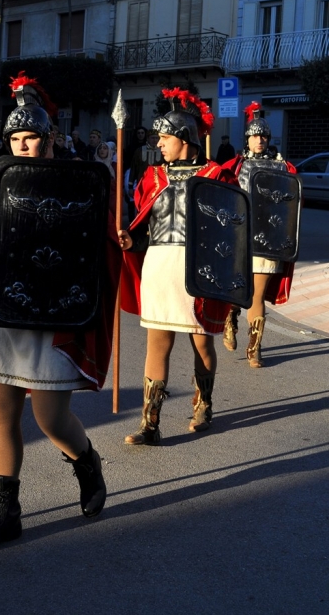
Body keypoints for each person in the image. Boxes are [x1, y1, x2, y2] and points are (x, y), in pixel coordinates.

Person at [0, 71, 121, 555]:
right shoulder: (2, 179)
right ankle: (4, 514)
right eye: (15, 137)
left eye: (31, 137)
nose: (22, 145)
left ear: (50, 137)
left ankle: (86, 463)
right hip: (7, 308)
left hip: (55, 315)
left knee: (49, 418)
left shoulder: (82, 179)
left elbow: (94, 246)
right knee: (1, 415)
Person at [118, 88, 237, 445]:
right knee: (158, 345)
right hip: (159, 265)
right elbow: (144, 225)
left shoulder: (216, 174)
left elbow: (231, 228)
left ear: (184, 138)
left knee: (201, 344)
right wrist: (130, 241)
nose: (160, 143)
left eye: (165, 137)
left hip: (199, 268)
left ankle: (204, 404)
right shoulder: (152, 177)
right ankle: (149, 424)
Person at [222, 102, 298, 368]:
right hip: (240, 236)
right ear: (248, 138)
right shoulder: (235, 167)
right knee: (236, 291)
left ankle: (255, 347)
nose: (260, 140)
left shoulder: (283, 168)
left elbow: (292, 204)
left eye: (264, 135)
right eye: (255, 135)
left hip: (269, 240)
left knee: (256, 294)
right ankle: (229, 318)